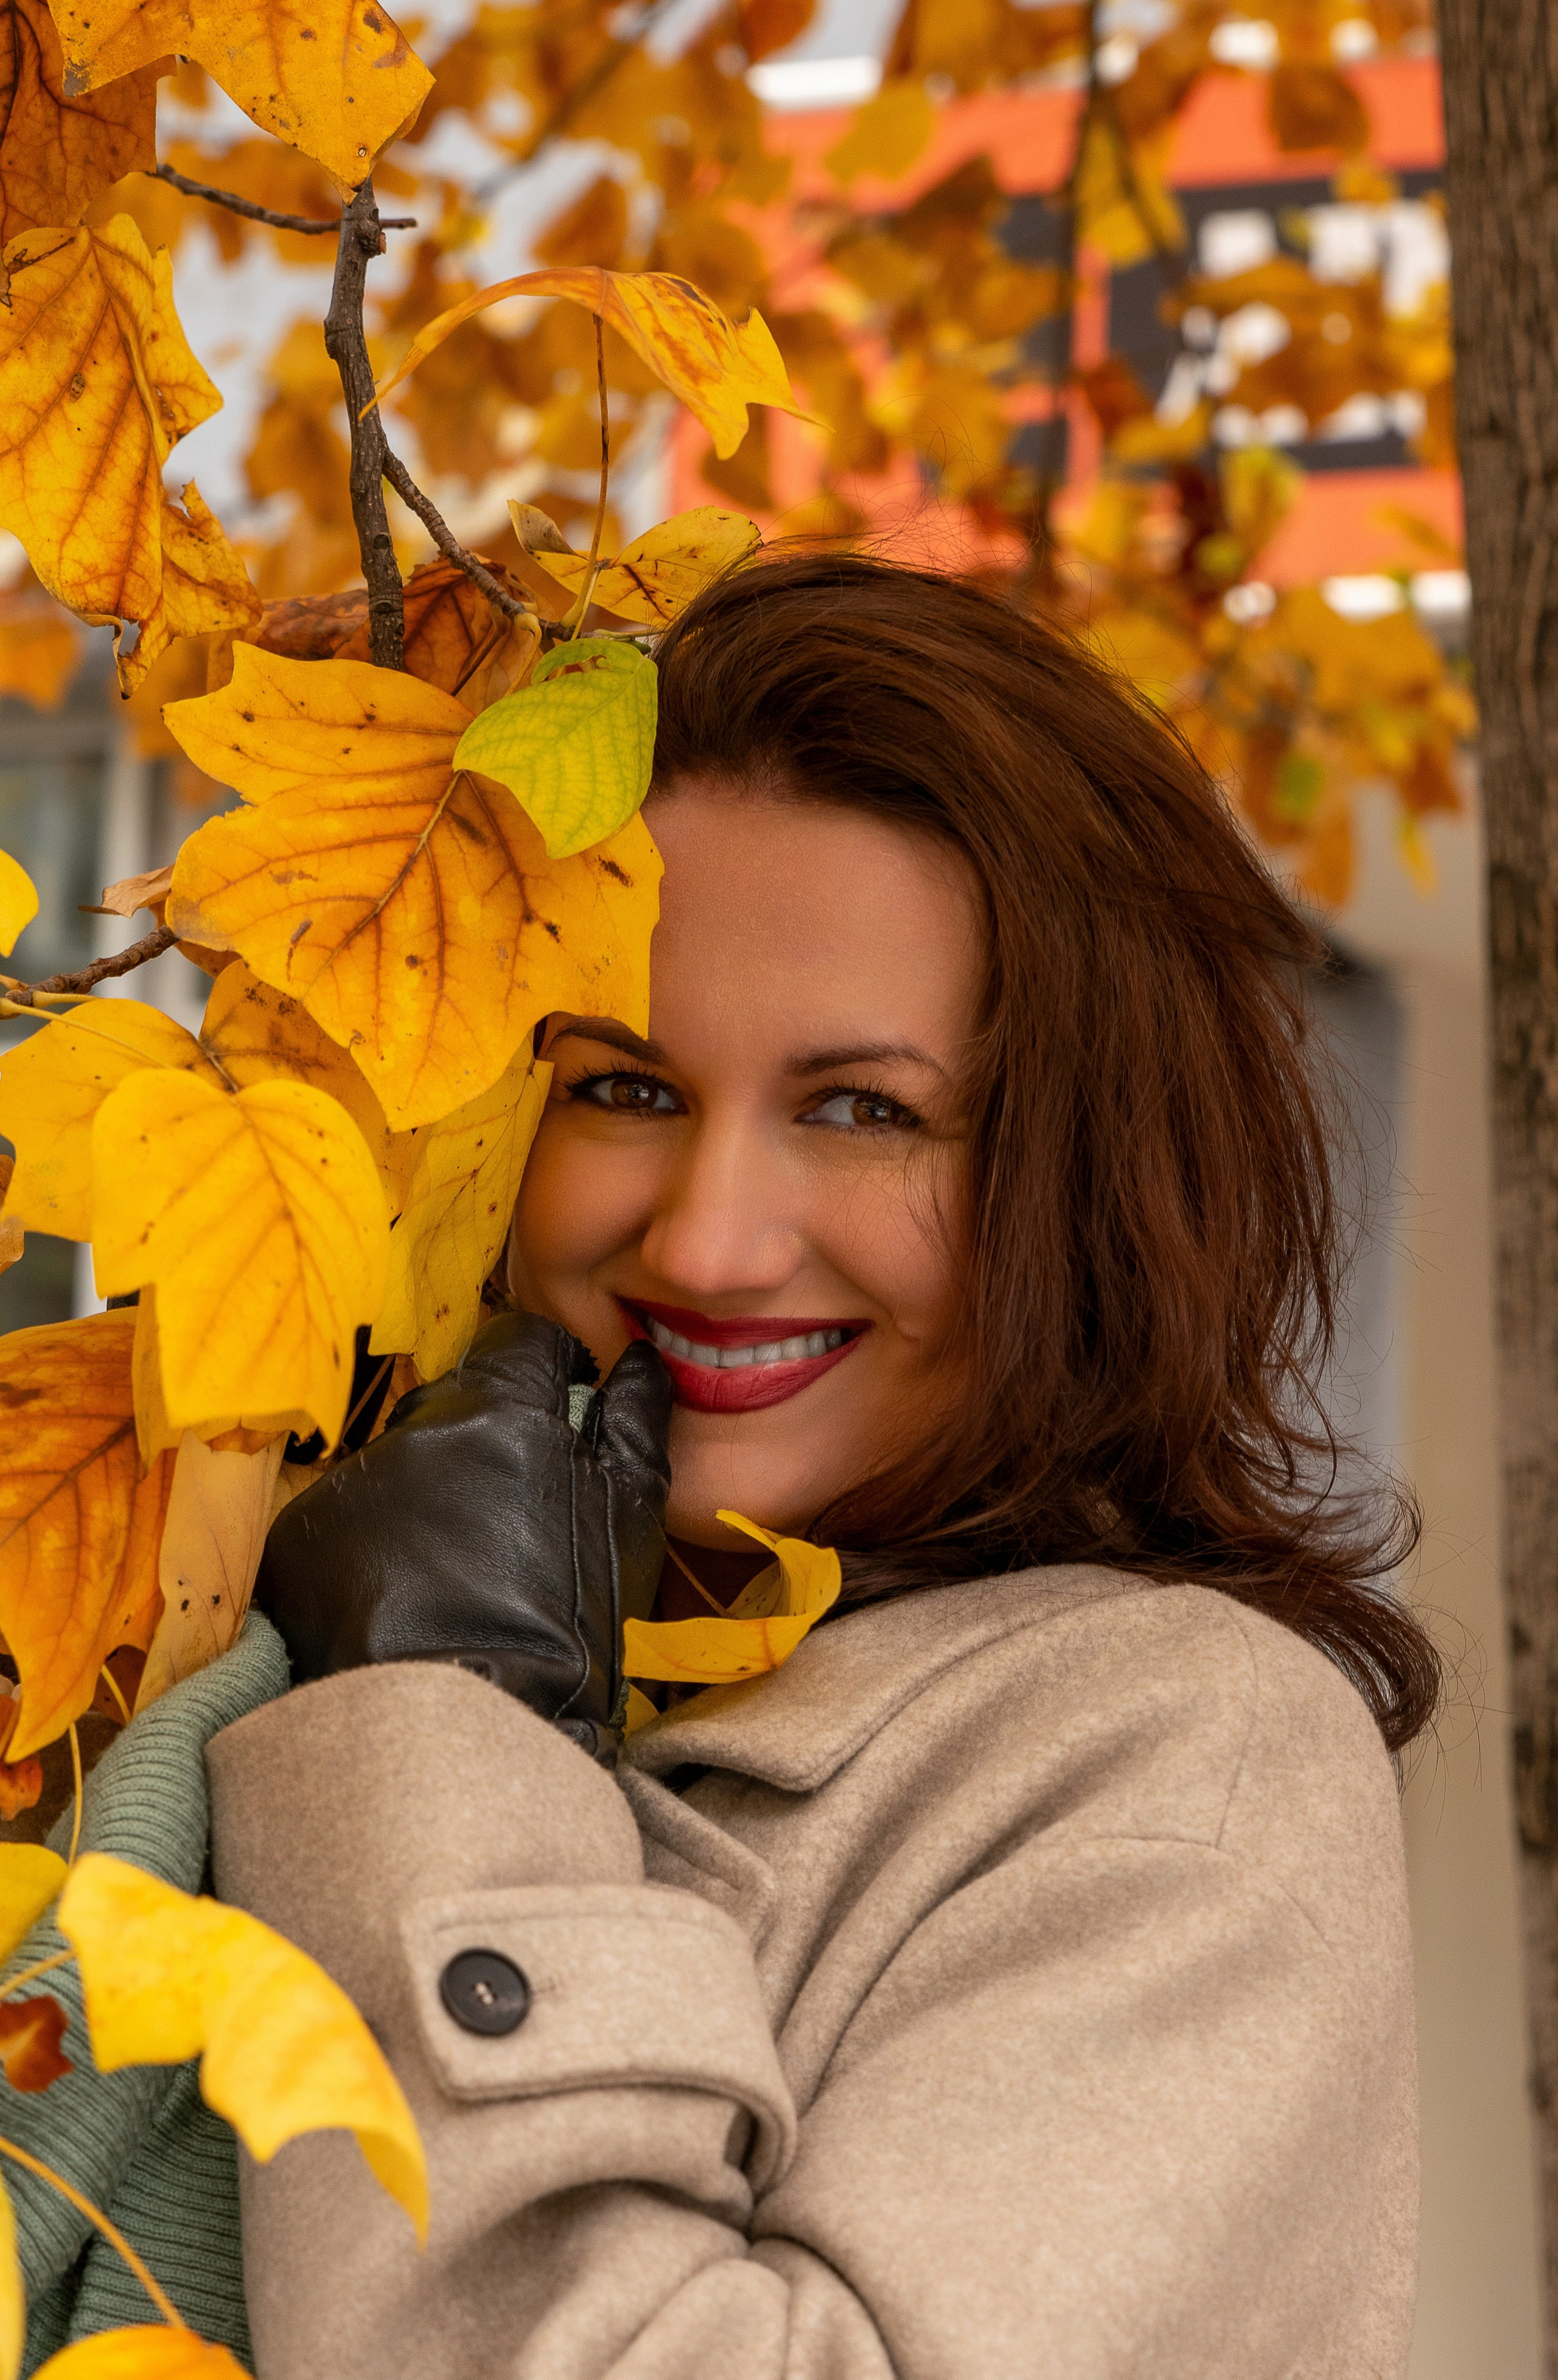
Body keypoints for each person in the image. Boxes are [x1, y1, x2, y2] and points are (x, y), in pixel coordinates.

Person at [25, 552, 1437, 2376]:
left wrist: (446, 1736)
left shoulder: (1179, 1762)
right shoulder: (231, 1605)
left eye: (863, 1111)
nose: (706, 1243)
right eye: (622, 1086)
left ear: (1083, 1186)